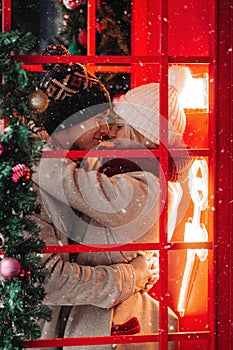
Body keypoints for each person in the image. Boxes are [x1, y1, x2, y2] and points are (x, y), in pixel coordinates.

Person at [27, 45, 158, 350]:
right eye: (95, 117)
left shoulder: (68, 169)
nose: (105, 128)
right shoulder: (27, 181)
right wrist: (130, 276)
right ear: (65, 125)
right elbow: (46, 281)